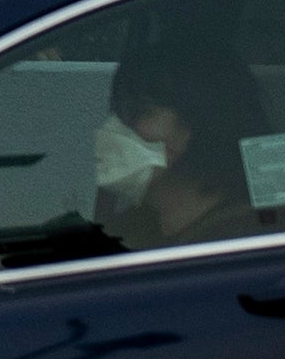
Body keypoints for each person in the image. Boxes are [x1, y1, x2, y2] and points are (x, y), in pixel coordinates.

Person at [95, 23, 269, 251]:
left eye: (137, 112)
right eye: (116, 111)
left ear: (197, 123)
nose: (112, 128)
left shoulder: (241, 238)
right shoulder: (131, 228)